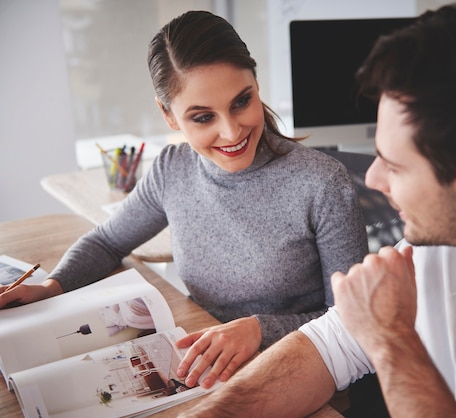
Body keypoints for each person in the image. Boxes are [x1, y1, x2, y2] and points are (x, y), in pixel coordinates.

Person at [174, 0, 456, 416]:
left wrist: (392, 340)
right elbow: (332, 347)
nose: (372, 180)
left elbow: (375, 338)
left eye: (393, 166)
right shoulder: (444, 239)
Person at [0, 10, 368, 391]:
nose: (231, 131)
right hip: (202, 358)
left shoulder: (323, 183)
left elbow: (353, 322)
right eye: (203, 117)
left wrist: (260, 329)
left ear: (256, 83)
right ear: (169, 116)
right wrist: (50, 288)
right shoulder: (171, 170)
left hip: (299, 368)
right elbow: (107, 241)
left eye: (242, 101)